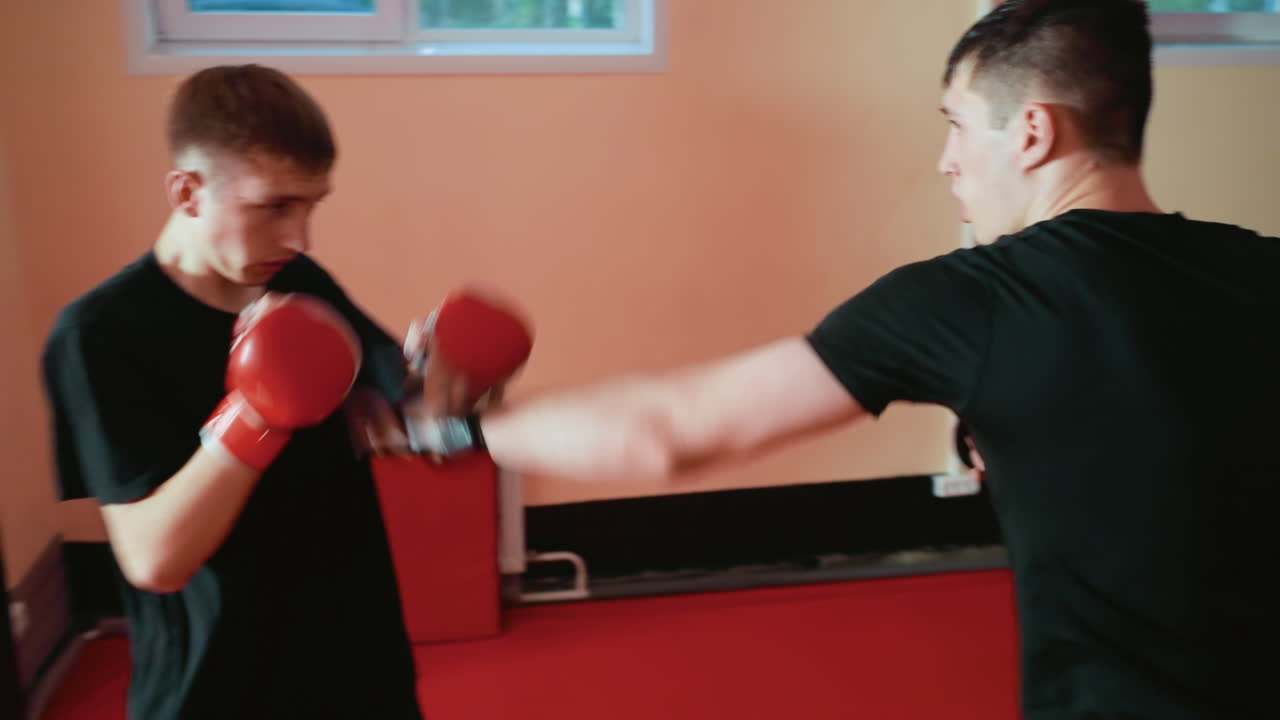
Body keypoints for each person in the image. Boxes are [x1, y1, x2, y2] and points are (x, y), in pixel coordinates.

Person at [417, 1, 1279, 716]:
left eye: (955, 126)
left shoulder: (968, 301)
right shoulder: (1257, 266)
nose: (945, 162)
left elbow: (672, 429)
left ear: (1030, 133)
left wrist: (454, 424)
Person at [41, 65, 426, 719]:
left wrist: (448, 377)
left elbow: (404, 409)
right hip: (218, 691)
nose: (299, 237)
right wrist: (255, 412)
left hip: (358, 673)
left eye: (310, 205)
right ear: (187, 192)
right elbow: (155, 559)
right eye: (274, 206)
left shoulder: (299, 282)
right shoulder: (98, 335)